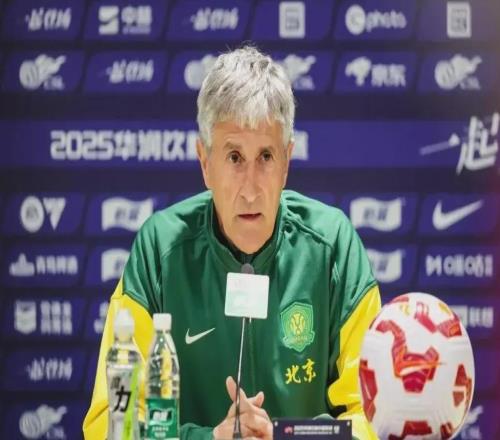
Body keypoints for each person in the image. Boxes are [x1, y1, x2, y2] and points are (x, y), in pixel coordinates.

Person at [83, 46, 381, 440]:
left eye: (266, 157)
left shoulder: (333, 247)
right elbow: (110, 422)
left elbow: (373, 419)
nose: (251, 190)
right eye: (235, 157)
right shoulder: (159, 250)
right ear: (204, 162)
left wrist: (287, 436)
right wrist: (208, 439)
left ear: (287, 161)